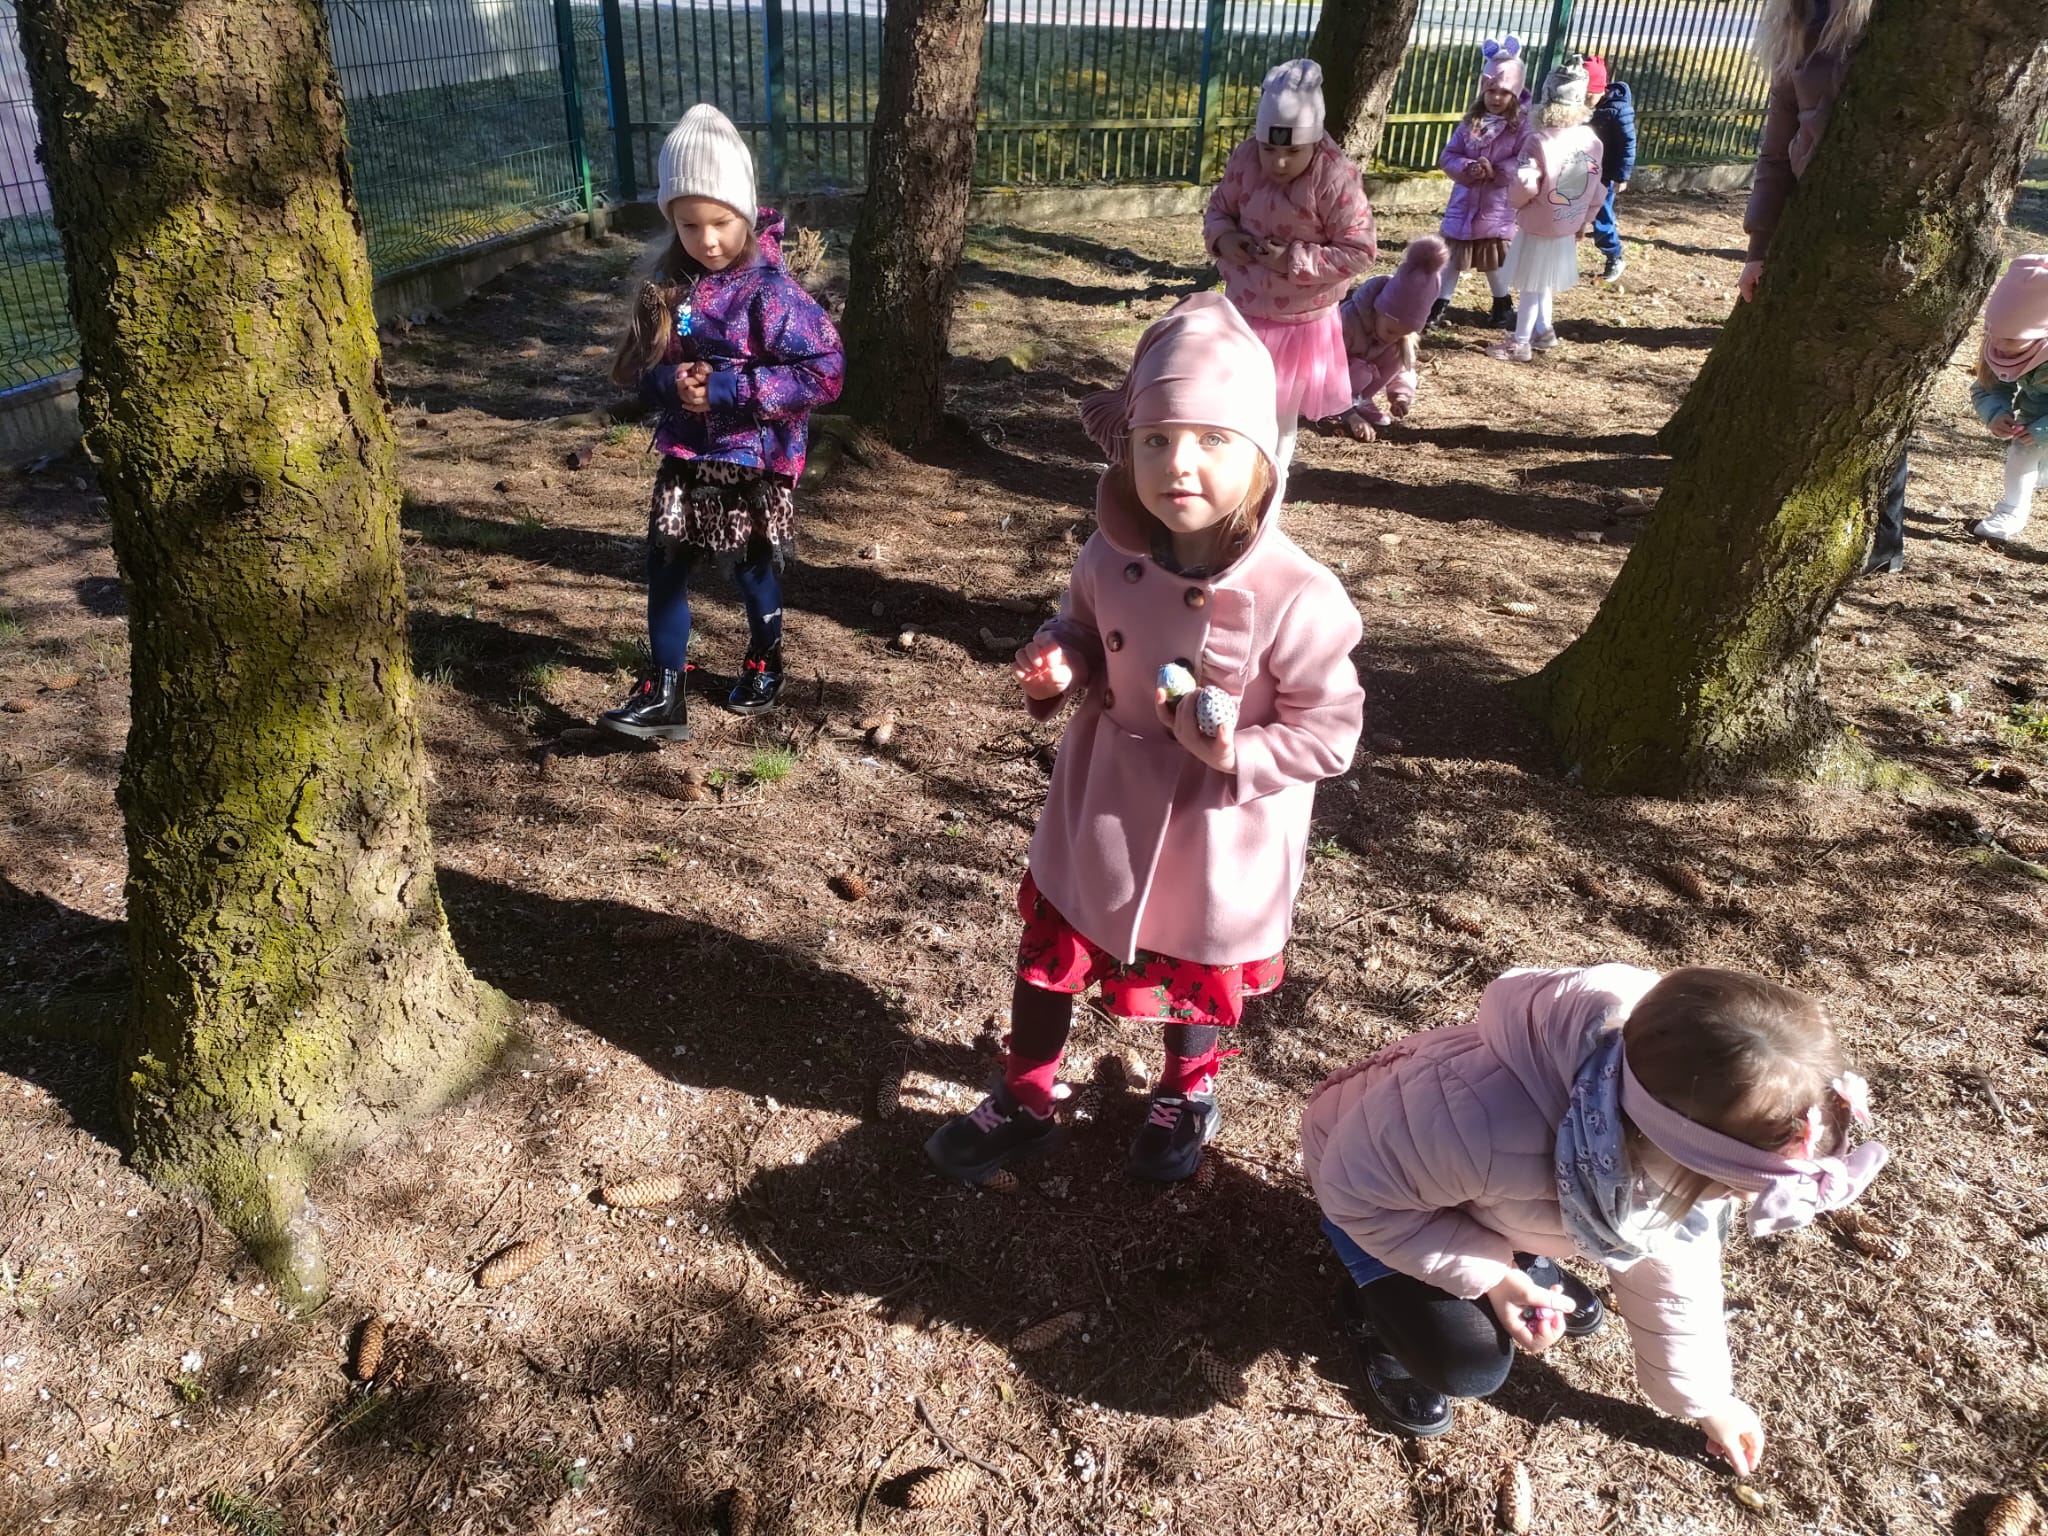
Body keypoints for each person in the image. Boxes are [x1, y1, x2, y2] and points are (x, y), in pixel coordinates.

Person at [923, 293, 1365, 1186]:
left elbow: (1329, 731)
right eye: (1156, 440)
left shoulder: (1301, 593)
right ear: (1126, 450)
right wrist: (1061, 661)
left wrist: (1238, 753)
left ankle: (1185, 1091)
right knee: (1052, 948)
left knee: (1199, 962)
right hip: (1103, 799)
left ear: (1262, 460)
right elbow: (1083, 628)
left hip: (1220, 828)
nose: (1179, 465)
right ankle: (1027, 1093)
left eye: (1212, 440)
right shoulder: (1105, 554)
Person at [1302, 965, 1888, 1465]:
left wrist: (1710, 1401)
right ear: (1666, 1152)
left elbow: (1675, 1272)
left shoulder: (1667, 1118)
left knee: (1524, 1271)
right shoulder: (1473, 1121)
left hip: (1479, 1196)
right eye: (1730, 1190)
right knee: (1468, 1364)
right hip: (1374, 1195)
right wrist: (1497, 1275)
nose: (1732, 1203)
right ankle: (1375, 1310)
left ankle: (1526, 1252)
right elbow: (1358, 1196)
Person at [598, 104, 844, 740]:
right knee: (665, 563)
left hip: (754, 459)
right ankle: (664, 690)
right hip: (687, 455)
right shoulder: (670, 287)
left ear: (747, 213)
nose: (707, 240)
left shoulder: (772, 294)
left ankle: (765, 659)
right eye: (689, 225)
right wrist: (670, 384)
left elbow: (826, 373)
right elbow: (637, 370)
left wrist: (731, 388)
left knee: (753, 566)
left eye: (721, 222)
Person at [1740, 0, 1901, 574]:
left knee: (1873, 384)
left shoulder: (1887, 22)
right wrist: (1758, 249)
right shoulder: (1795, 26)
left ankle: (1882, 540)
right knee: (1809, 377)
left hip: (1889, 228)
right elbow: (1775, 153)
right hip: (1813, 226)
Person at [1203, 59, 1379, 466]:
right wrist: (1224, 238)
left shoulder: (1334, 177)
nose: (1279, 162)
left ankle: (1274, 482)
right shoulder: (1246, 160)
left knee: (1280, 416)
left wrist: (1292, 261)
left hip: (1300, 324)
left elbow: (1359, 250)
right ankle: (1233, 479)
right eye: (1270, 149)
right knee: (1234, 405)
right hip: (1243, 311)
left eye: (1293, 151)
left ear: (1314, 142)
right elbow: (1219, 209)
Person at [1488, 58, 1606, 364]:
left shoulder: (1538, 141)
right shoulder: (1591, 141)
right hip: (1568, 221)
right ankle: (1543, 330)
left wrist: (1516, 203)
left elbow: (1525, 183)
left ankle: (1521, 342)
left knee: (1531, 283)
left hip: (1539, 221)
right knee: (1543, 281)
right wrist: (1585, 219)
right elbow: (1597, 189)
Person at [1432, 37, 1531, 333]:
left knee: (1493, 261)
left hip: (1495, 207)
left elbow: (1524, 160)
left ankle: (1502, 306)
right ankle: (1438, 305)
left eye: (1504, 92)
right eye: (1491, 91)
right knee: (1452, 259)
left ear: (1515, 93)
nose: (1496, 98)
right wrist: (1467, 167)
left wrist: (1496, 170)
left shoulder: (1521, 127)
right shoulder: (1471, 123)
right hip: (1464, 205)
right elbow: (1449, 155)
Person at [1333, 237, 1449, 440]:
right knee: (1361, 372)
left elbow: (1404, 369)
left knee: (1399, 351)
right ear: (1377, 311)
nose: (1392, 338)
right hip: (1331, 385)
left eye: (1401, 333)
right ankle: (1342, 407)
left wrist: (1401, 396)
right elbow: (1325, 366)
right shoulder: (1349, 321)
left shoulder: (1397, 340)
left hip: (1358, 387)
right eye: (1390, 330)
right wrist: (1348, 414)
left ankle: (1361, 400)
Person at [1968, 254, 2048, 546]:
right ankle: (2011, 511)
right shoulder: (2000, 344)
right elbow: (1987, 386)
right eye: (1994, 335)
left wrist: (2043, 429)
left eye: (2012, 340)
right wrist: (1996, 413)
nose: (2001, 345)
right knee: (2021, 456)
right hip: (2034, 420)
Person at [1585, 56, 1636, 285]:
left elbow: (1628, 145)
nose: (1585, 101)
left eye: (1589, 96)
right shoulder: (1583, 108)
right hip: (1583, 169)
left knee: (1601, 215)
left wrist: (1621, 176)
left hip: (1605, 175)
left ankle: (1614, 255)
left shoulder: (1618, 110)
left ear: (1600, 89)